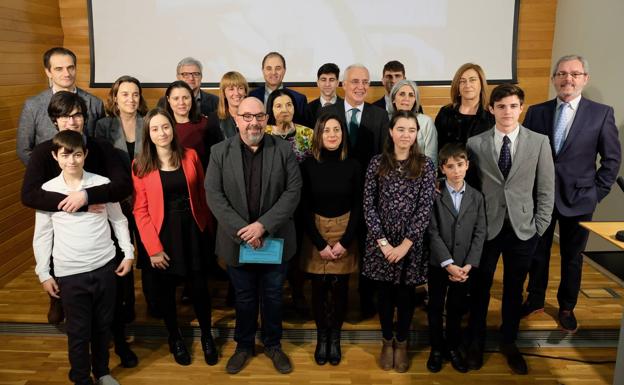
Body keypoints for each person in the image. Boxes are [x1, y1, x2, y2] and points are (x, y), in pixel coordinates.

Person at [522, 55, 621, 332]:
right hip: (540, 198)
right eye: (563, 74)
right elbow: (527, 155)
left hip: (580, 199)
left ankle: (567, 306)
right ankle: (535, 299)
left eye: (575, 74)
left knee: (572, 257)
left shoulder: (601, 113)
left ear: (585, 79)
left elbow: (612, 160)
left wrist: (596, 194)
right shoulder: (536, 112)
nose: (568, 79)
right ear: (554, 79)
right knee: (537, 253)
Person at [205, 97, 302, 375]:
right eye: (247, 117)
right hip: (237, 243)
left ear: (267, 118)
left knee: (272, 296)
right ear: (236, 119)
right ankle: (243, 345)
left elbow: (293, 192)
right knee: (244, 298)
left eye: (259, 116)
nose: (253, 122)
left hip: (275, 239)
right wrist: (245, 232)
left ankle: (273, 345)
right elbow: (214, 195)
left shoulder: (283, 150)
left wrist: (262, 226)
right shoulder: (219, 152)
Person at [21, 91, 131, 330]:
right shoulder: (44, 152)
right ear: (55, 121)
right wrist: (78, 205)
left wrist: (87, 195)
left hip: (101, 223)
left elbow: (122, 185)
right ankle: (57, 299)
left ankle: (118, 332)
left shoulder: (100, 147)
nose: (72, 122)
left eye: (77, 115)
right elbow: (29, 195)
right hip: (63, 228)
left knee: (115, 276)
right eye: (65, 117)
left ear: (85, 118)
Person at [33, 129, 134, 385]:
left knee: (103, 326)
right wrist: (43, 272)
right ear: (55, 156)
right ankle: (80, 378)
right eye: (66, 155)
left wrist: (128, 252)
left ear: (85, 154)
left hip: (104, 267)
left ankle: (102, 372)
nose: (72, 161)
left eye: (77, 154)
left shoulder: (101, 183)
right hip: (70, 273)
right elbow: (42, 235)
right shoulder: (47, 190)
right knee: (78, 332)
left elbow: (119, 220)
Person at [466, 84, 554, 375]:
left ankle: (508, 341)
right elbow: (472, 190)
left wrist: (539, 226)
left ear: (521, 108)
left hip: (523, 229)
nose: (507, 111)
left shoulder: (539, 142)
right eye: (501, 106)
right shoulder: (475, 143)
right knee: (480, 288)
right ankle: (476, 343)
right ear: (491, 109)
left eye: (513, 106)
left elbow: (545, 189)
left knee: (514, 290)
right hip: (487, 229)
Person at [132, 108, 217, 366]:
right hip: (163, 234)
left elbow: (203, 195)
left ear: (173, 129)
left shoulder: (190, 156)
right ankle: (175, 337)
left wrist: (209, 231)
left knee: (201, 288)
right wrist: (153, 249)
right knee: (166, 292)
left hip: (193, 231)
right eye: (155, 129)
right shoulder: (140, 165)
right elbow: (140, 210)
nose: (161, 133)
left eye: (165, 127)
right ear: (148, 133)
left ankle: (206, 336)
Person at [363, 110, 436, 372]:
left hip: (411, 245)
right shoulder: (376, 163)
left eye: (411, 130)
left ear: (417, 134)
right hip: (381, 244)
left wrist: (406, 244)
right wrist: (383, 243)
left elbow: (425, 207)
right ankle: (386, 341)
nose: (406, 134)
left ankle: (402, 343)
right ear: (391, 132)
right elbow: (368, 206)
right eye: (401, 129)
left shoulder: (426, 165)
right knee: (384, 296)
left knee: (405, 297)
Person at [320, 63, 388, 319]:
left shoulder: (379, 116)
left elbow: (383, 157)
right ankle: (333, 304)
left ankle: (364, 303)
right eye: (355, 81)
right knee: (338, 249)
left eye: (365, 82)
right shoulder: (330, 112)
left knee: (365, 249)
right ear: (343, 85)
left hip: (369, 194)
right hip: (336, 195)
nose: (360, 87)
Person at [93, 75, 149, 366]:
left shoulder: (148, 121)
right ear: (114, 98)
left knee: (150, 252)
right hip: (115, 202)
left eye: (135, 94)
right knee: (121, 257)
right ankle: (124, 313)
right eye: (124, 94)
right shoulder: (102, 126)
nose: (131, 99)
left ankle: (153, 304)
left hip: (145, 199)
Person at [300, 114, 362, 366]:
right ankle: (321, 336)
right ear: (319, 134)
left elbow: (359, 206)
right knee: (318, 288)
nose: (332, 134)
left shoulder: (354, 165)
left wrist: (345, 242)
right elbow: (302, 206)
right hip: (315, 231)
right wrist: (319, 243)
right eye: (327, 130)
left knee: (339, 289)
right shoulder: (307, 165)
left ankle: (334, 337)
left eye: (337, 129)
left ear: (343, 134)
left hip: (344, 231)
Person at [426, 143, 486, 374]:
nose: (456, 171)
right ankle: (436, 349)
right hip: (439, 263)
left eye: (460, 165)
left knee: (456, 308)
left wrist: (468, 264)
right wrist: (448, 264)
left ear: (467, 165)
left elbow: (481, 232)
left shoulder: (477, 197)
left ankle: (452, 347)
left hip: (464, 266)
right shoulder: (434, 195)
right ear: (442, 169)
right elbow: (432, 231)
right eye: (450, 167)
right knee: (435, 306)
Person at [17, 46, 104, 165]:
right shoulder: (33, 105)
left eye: (70, 68)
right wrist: (47, 173)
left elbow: (100, 145)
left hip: (88, 175)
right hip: (48, 178)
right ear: (48, 72)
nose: (67, 73)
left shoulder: (95, 103)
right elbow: (24, 150)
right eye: (59, 69)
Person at [435, 63, 494, 150]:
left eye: (472, 80)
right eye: (462, 81)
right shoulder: (445, 112)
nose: (467, 85)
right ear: (457, 86)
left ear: (481, 84)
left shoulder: (491, 115)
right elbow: (437, 147)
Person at [389, 79, 438, 165]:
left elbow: (432, 159)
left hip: (420, 174)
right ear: (393, 98)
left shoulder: (426, 122)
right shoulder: (385, 120)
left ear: (415, 100)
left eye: (411, 95)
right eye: (402, 94)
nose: (406, 99)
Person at [164, 80, 211, 168]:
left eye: (186, 98)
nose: (181, 103)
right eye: (176, 98)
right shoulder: (163, 125)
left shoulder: (205, 123)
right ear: (168, 99)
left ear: (192, 98)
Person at [249, 51, 307, 119]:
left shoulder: (299, 99)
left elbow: (302, 128)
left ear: (284, 70)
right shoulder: (251, 96)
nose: (273, 72)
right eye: (269, 68)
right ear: (263, 70)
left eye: (278, 68)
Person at [265, 88, 314, 162]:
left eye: (289, 105)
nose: (285, 110)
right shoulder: (263, 133)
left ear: (294, 107)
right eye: (279, 106)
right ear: (271, 109)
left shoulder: (308, 133)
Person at [206, 71, 249, 144]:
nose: (236, 93)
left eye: (240, 88)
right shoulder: (214, 119)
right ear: (224, 93)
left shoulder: (255, 115)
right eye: (231, 89)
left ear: (245, 92)